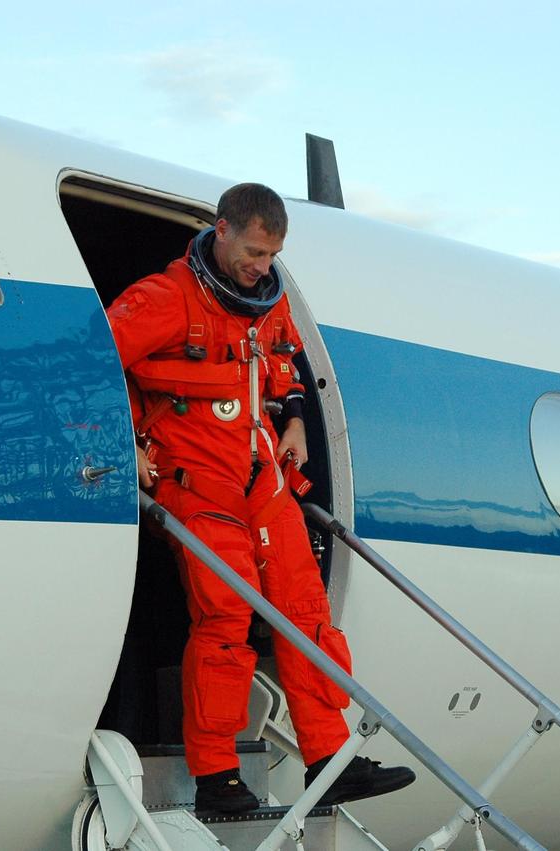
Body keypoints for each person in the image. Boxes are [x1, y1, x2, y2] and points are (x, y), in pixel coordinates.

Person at [107, 183, 415, 815]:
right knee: (225, 619)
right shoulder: (163, 300)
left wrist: (296, 419)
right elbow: (92, 366)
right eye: (253, 252)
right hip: (198, 484)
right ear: (221, 231)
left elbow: (286, 362)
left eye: (272, 255)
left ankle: (329, 759)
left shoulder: (266, 304)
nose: (261, 267)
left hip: (263, 477)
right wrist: (125, 444)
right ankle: (217, 777)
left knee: (304, 609)